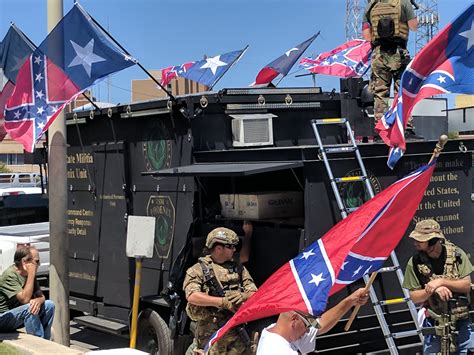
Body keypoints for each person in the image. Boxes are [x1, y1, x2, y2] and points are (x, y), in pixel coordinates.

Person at [183, 224, 257, 354]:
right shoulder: (198, 270)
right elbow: (192, 296)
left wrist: (244, 296)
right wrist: (222, 302)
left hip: (236, 335)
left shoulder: (238, 268)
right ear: (218, 248)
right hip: (211, 337)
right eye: (231, 246)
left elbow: (255, 293)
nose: (234, 249)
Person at [402, 219, 473, 354]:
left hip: (462, 322)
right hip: (435, 322)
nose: (415, 242)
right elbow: (415, 297)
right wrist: (432, 289)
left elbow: (466, 285)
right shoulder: (415, 262)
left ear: (433, 241)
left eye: (420, 240)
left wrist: (441, 281)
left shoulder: (457, 254)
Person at [362, 0, 420, 139]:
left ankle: (381, 132)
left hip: (379, 54)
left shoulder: (371, 6)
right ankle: (406, 128)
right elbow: (414, 27)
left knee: (380, 94)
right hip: (398, 54)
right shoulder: (403, 3)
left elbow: (366, 34)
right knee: (402, 92)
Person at [256, 288, 369, 354]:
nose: (307, 331)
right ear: (294, 319)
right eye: (307, 326)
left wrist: (350, 301)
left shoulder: (277, 330)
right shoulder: (277, 350)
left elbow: (321, 323)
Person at [0, 246, 55, 339]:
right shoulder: (10, 275)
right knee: (30, 308)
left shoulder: (29, 275)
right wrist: (31, 274)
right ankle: (38, 343)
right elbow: (25, 300)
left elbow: (41, 297)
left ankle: (45, 340)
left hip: (16, 316)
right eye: (36, 261)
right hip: (3, 318)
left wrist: (38, 300)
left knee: (50, 305)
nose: (39, 264)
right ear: (24, 262)